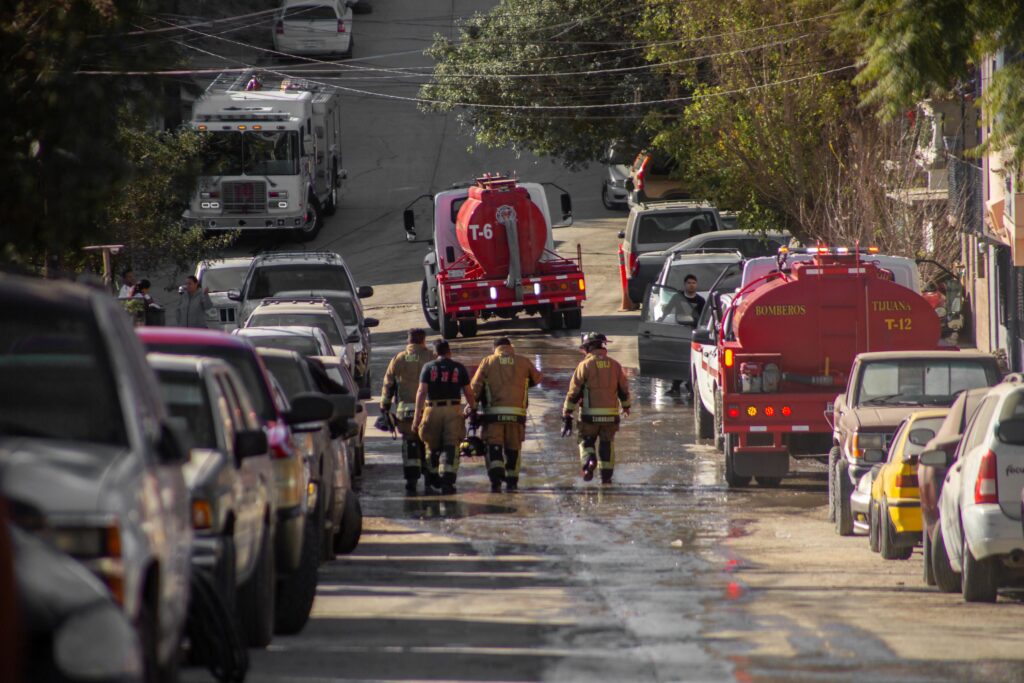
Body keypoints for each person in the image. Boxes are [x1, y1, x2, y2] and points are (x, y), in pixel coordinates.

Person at [469, 337, 542, 493]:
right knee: (513, 448)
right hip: (517, 416)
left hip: (493, 416)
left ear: (495, 348)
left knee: (493, 445)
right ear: (510, 347)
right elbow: (537, 378)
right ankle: (512, 481)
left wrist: (471, 409)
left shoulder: (488, 361)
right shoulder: (523, 361)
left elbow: (474, 388)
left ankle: (496, 479)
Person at [563, 332, 631, 484]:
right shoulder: (615, 365)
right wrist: (626, 407)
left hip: (589, 416)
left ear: (588, 348)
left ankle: (589, 462)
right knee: (607, 444)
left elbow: (574, 392)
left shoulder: (584, 366)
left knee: (585, 441)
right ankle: (606, 478)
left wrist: (567, 412)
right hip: (611, 416)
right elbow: (623, 390)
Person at [412, 340, 476, 495]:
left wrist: (417, 417)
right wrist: (472, 408)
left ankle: (432, 479)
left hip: (432, 410)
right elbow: (468, 392)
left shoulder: (428, 367)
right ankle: (448, 481)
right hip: (453, 410)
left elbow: (421, 392)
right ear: (449, 352)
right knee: (451, 446)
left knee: (431, 445)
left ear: (435, 353)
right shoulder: (458, 368)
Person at [380, 329, 435, 494]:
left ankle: (411, 481)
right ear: (423, 341)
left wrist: (385, 407)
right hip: (427, 412)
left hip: (405, 414)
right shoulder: (431, 357)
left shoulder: (399, 359)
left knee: (410, 444)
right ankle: (429, 480)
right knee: (428, 444)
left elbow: (388, 385)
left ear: (408, 341)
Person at [665, 274, 705, 395]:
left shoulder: (700, 301)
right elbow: (666, 311)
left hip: (694, 335)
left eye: (693, 283)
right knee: (679, 359)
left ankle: (691, 386)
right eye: (689, 283)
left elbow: (703, 319)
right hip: (679, 333)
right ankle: (675, 386)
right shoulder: (678, 298)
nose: (691, 285)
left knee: (692, 360)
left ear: (696, 285)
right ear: (684, 284)